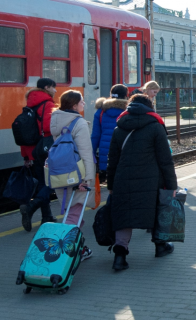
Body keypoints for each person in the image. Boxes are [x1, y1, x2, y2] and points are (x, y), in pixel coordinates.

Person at [107, 94, 178, 271]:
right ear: (150, 107)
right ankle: (161, 246)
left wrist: (111, 186)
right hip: (151, 180)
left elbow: (112, 160)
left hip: (123, 179)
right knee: (156, 210)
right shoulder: (156, 127)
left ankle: (120, 257)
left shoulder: (119, 128)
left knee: (124, 216)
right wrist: (171, 186)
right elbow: (165, 160)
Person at [50, 90, 96, 261]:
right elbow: (85, 153)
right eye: (82, 101)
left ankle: (79, 248)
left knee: (71, 212)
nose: (84, 103)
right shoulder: (79, 123)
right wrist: (87, 179)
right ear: (74, 105)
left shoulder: (56, 120)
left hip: (61, 175)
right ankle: (65, 251)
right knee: (74, 214)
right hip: (78, 176)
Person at [19, 78, 57, 232]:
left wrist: (26, 156)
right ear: (47, 87)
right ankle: (31, 206)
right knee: (52, 182)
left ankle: (47, 217)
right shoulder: (47, 104)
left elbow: (24, 131)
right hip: (44, 149)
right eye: (54, 87)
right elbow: (49, 127)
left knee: (43, 182)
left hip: (32, 150)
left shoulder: (29, 105)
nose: (55, 90)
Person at [91, 84, 129, 183]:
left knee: (110, 186)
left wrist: (92, 155)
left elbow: (95, 136)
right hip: (124, 154)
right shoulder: (127, 111)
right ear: (125, 96)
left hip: (105, 156)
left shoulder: (101, 111)